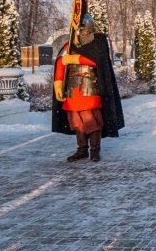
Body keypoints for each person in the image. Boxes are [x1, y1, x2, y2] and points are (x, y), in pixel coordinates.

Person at [52, 14, 124, 162]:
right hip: (72, 88)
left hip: (89, 86)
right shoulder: (70, 44)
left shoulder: (98, 42)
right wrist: (58, 83)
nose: (80, 31)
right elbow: (60, 62)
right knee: (76, 121)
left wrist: (75, 58)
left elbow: (96, 59)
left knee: (92, 120)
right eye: (78, 29)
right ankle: (82, 149)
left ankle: (95, 151)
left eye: (82, 28)